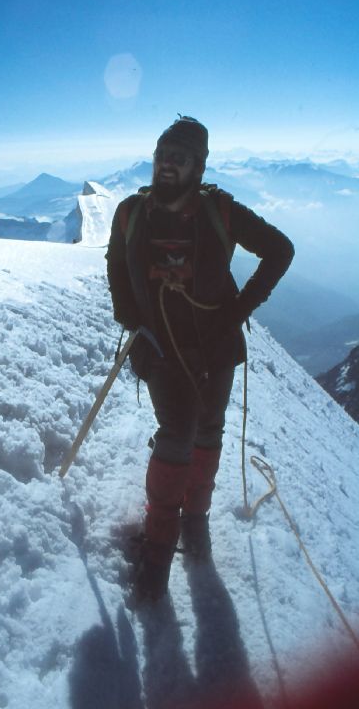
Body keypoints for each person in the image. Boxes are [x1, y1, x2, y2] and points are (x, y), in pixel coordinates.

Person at [106, 116, 294, 601]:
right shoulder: (130, 213)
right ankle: (159, 547)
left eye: (179, 157)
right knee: (178, 433)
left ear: (199, 164)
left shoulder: (220, 211)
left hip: (215, 344)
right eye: (162, 155)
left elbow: (279, 249)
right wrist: (129, 314)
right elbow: (114, 261)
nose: (167, 164)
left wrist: (238, 310)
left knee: (209, 429)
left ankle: (196, 520)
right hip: (162, 346)